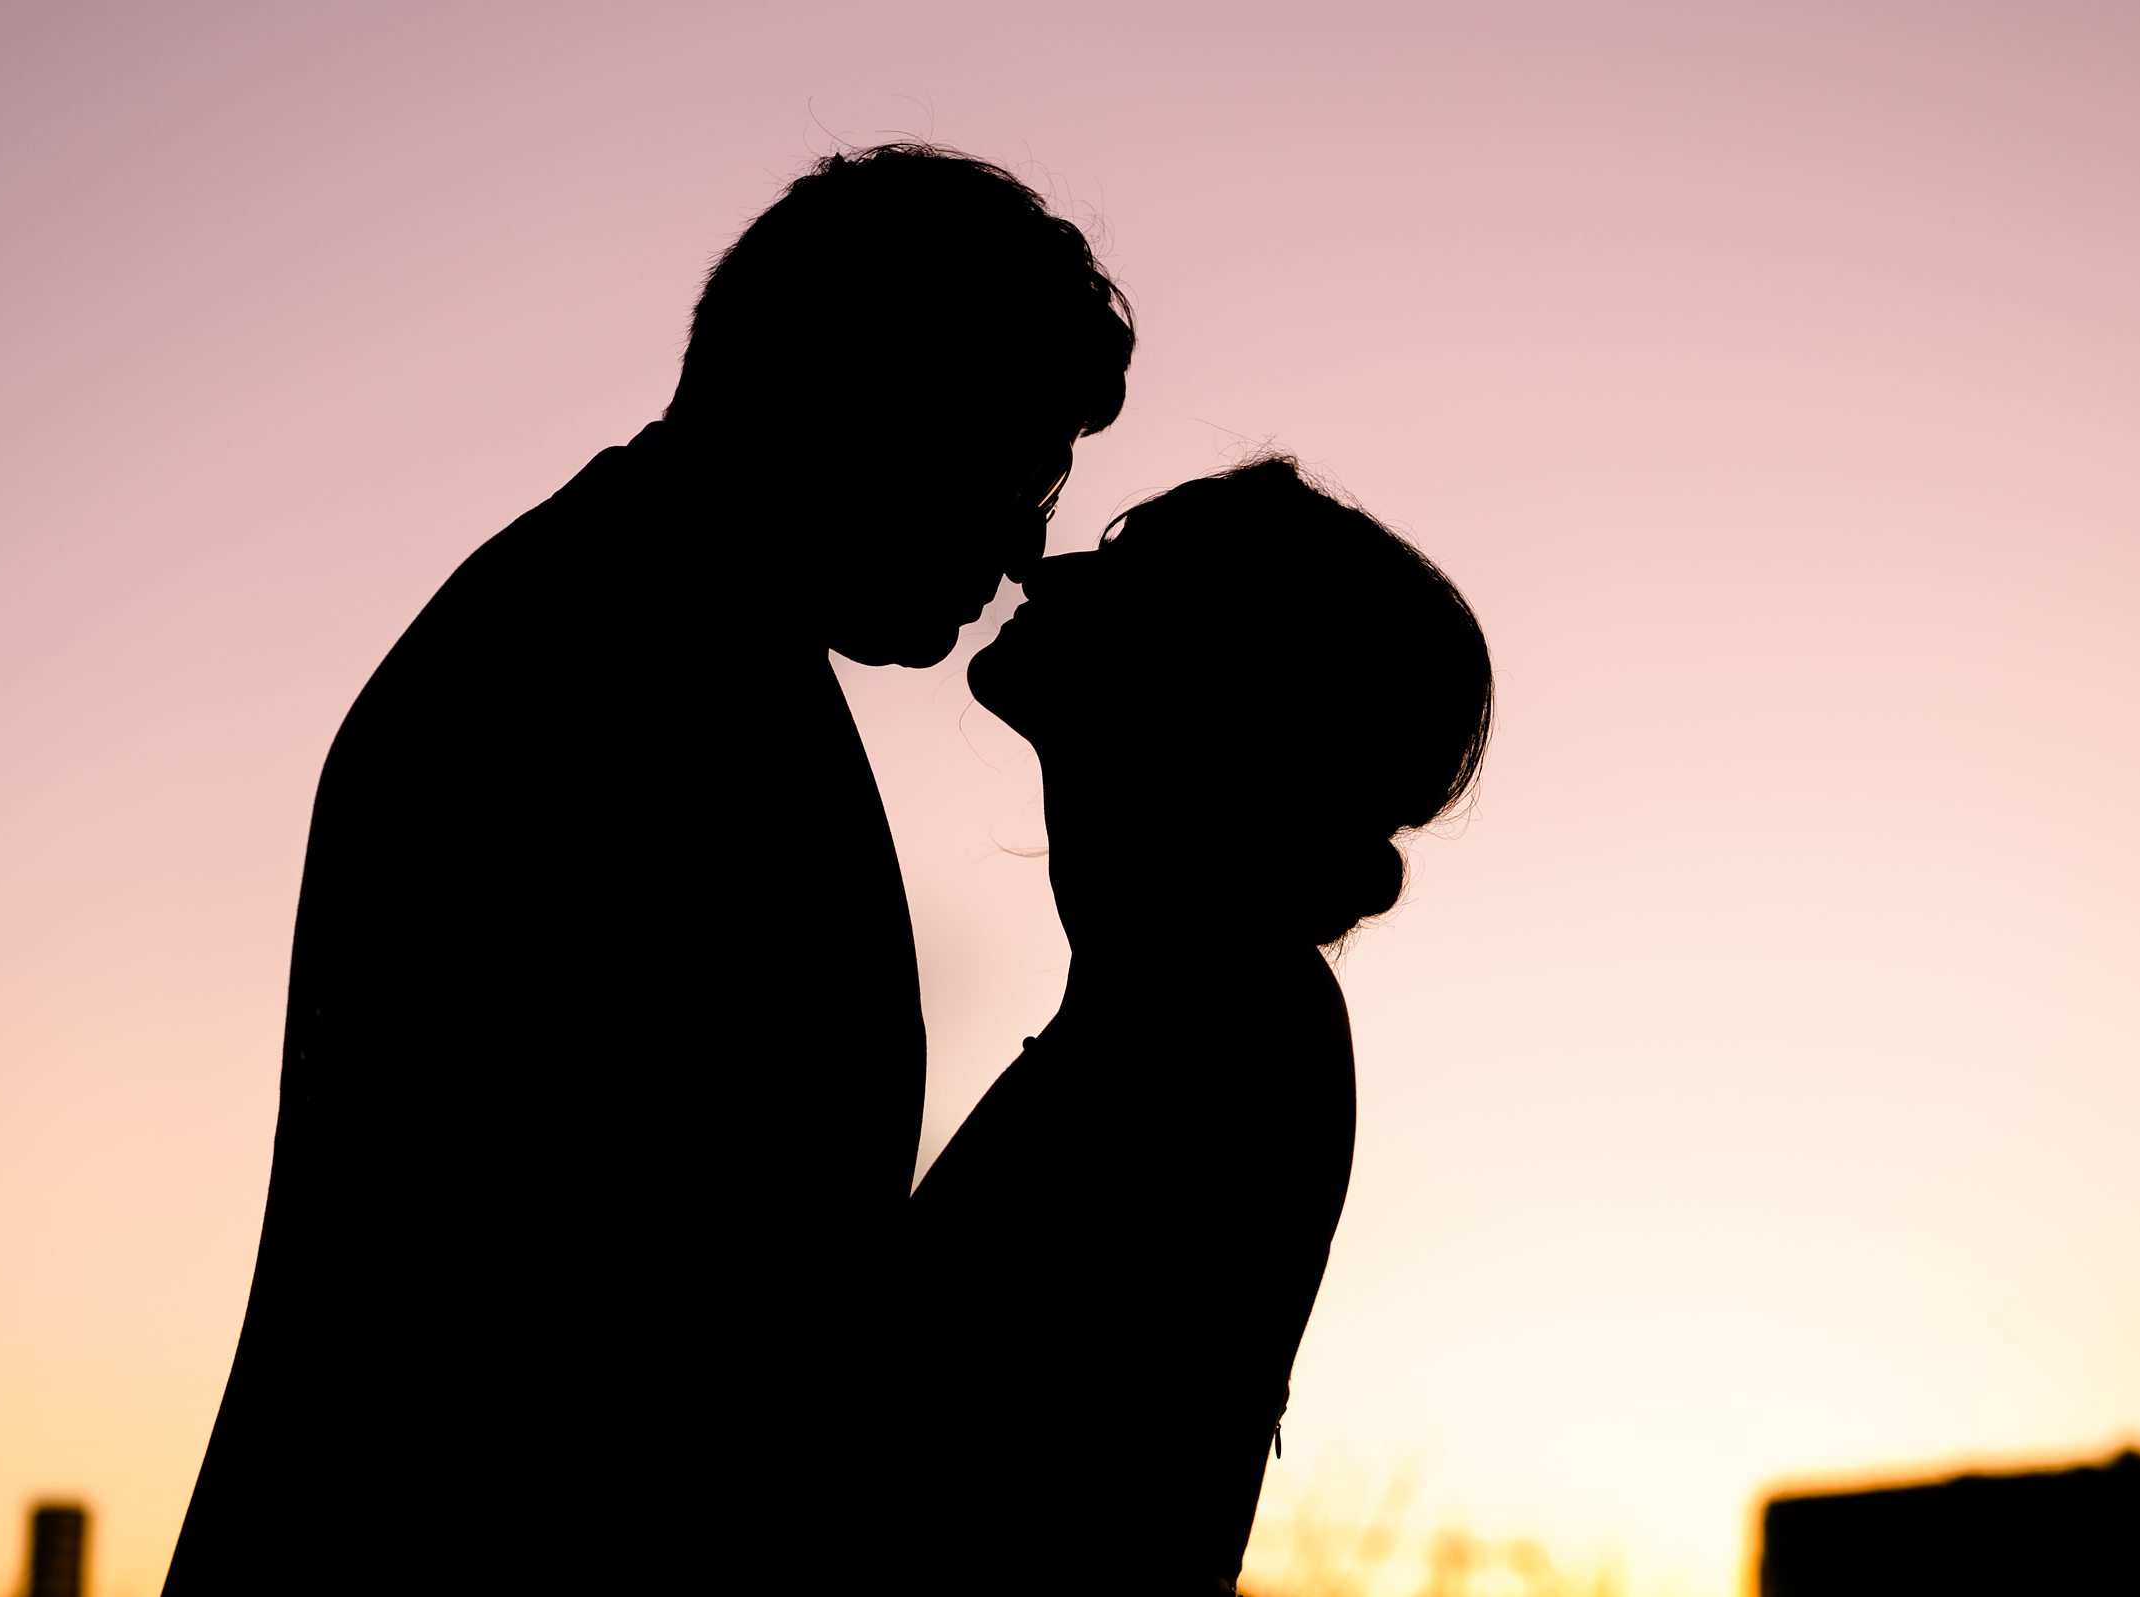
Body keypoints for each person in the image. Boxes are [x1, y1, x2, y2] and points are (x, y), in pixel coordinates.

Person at [164, 144, 1133, 1594]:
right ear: (882, 390)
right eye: (1027, 461)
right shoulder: (619, 660)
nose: (1029, 547)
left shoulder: (646, 618)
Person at [905, 457, 1495, 1592]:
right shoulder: (1209, 996)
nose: (1048, 566)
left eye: (1129, 569)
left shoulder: (1212, 1019)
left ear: (1220, 677)